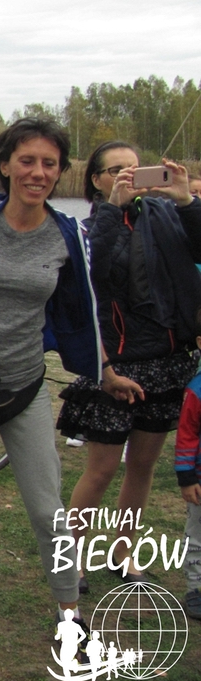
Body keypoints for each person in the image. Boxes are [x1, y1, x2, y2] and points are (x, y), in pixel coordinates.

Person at [0, 118, 136, 660]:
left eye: (49, 163)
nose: (38, 172)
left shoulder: (68, 234)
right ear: (5, 165)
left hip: (24, 386)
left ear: (59, 172)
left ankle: (70, 616)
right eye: (27, 160)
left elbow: (84, 309)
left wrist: (104, 371)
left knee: (48, 512)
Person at [57, 141, 201, 592]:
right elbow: (92, 275)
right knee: (100, 469)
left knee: (142, 465)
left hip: (166, 359)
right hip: (116, 361)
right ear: (96, 180)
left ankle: (123, 551)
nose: (129, 176)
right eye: (116, 170)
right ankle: (71, 556)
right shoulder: (86, 228)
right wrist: (112, 211)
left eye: (136, 168)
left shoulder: (166, 215)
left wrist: (187, 201)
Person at [172, 308, 201, 620]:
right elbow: (187, 436)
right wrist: (186, 476)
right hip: (199, 481)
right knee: (198, 535)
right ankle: (196, 588)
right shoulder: (196, 391)